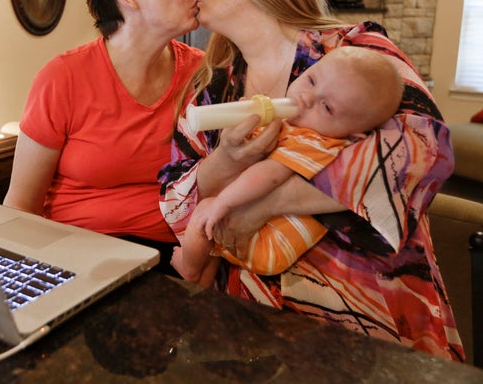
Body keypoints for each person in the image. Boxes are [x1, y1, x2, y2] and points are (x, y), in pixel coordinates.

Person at [158, 0, 464, 361]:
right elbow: (175, 203)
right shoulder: (213, 90)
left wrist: (265, 205)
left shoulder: (354, 53)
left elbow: (420, 150)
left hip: (367, 311)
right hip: (250, 321)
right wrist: (225, 158)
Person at [4, 0, 203, 276]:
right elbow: (21, 205)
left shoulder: (203, 74)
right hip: (78, 257)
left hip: (173, 259)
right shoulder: (63, 78)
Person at [171, 46, 403, 286]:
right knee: (212, 229)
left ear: (356, 134)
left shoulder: (314, 142)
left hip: (272, 242)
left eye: (327, 107)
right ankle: (201, 281)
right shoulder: (306, 130)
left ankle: (188, 267)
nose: (306, 98)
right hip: (264, 236)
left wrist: (223, 203)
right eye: (311, 80)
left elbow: (266, 176)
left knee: (208, 211)